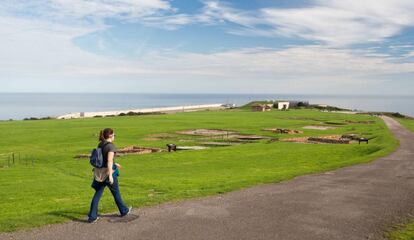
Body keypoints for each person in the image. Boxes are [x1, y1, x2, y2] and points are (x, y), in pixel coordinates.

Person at [88, 128, 131, 223]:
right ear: (110, 135)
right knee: (116, 193)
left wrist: (116, 164)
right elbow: (109, 161)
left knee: (97, 194)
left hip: (99, 174)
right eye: (114, 135)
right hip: (108, 173)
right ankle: (124, 211)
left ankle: (92, 216)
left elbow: (102, 160)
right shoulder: (111, 146)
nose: (115, 136)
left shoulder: (101, 144)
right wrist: (111, 175)